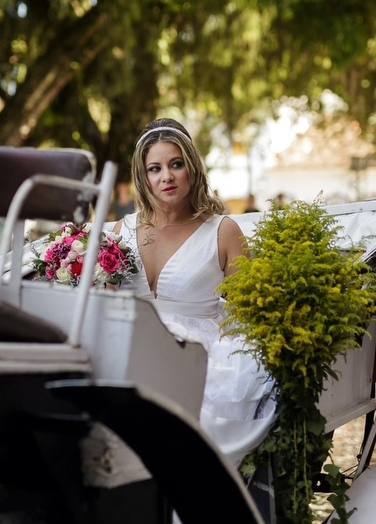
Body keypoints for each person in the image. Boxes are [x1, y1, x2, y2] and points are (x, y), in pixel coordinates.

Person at [113, 118, 277, 468]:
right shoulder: (119, 231)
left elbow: (251, 308)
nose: (166, 177)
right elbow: (105, 298)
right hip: (130, 345)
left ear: (192, 167)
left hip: (197, 354)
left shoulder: (223, 232)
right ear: (143, 177)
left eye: (176, 164)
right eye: (154, 168)